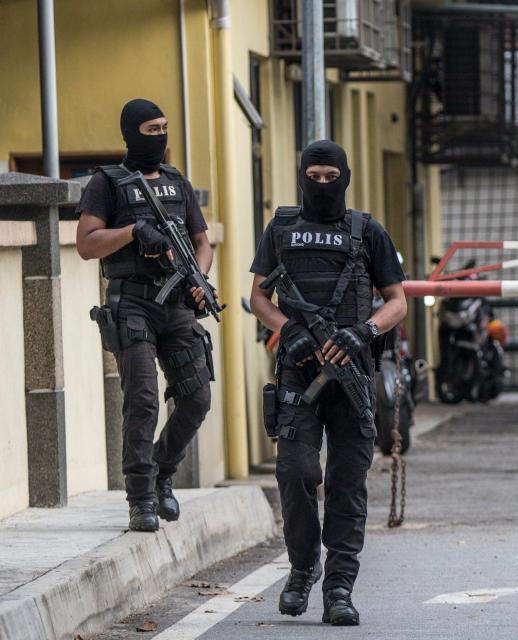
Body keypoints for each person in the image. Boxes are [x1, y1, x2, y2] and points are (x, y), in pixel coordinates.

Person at [248, 140, 407, 625]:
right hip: (299, 372)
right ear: (301, 176)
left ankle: (339, 588)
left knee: (346, 484)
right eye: (312, 177)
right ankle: (302, 569)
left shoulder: (366, 231)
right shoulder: (281, 229)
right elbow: (257, 296)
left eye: (329, 178)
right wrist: (289, 329)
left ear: (345, 177)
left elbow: (396, 301)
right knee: (296, 474)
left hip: (353, 374)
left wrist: (363, 331)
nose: (321, 186)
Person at [76, 99, 216, 532]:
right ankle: (141, 499)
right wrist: (134, 231)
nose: (160, 136)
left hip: (175, 306)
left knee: (196, 399)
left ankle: (161, 472)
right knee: (142, 401)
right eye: (151, 129)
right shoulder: (107, 182)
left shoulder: (177, 182)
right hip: (132, 303)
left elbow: (202, 242)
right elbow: (86, 244)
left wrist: (199, 278)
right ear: (132, 133)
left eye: (164, 128)